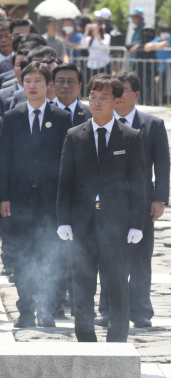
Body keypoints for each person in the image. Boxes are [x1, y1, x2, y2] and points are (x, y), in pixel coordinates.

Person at [57, 75, 146, 342]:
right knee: (82, 284)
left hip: (117, 225)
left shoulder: (130, 137)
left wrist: (136, 223)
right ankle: (86, 339)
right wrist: (63, 220)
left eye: (103, 98)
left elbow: (139, 183)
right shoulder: (74, 135)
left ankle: (117, 340)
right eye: (93, 97)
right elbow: (65, 181)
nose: (96, 102)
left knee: (117, 285)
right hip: (83, 223)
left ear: (116, 101)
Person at [0, 62, 73, 328]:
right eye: (27, 80)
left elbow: (68, 161)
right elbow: (3, 158)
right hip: (19, 200)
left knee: (51, 256)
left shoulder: (63, 118)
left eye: (38, 81)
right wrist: (3, 196)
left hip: (51, 200)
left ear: (48, 85)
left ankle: (48, 308)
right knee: (22, 256)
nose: (32, 85)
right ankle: (26, 309)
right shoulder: (12, 116)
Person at [94, 73, 169, 329]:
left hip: (142, 202)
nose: (118, 96)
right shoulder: (100, 121)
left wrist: (160, 198)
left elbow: (163, 164)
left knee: (140, 257)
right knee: (108, 256)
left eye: (123, 90)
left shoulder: (153, 124)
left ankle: (140, 310)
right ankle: (107, 308)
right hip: (108, 202)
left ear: (136, 95)